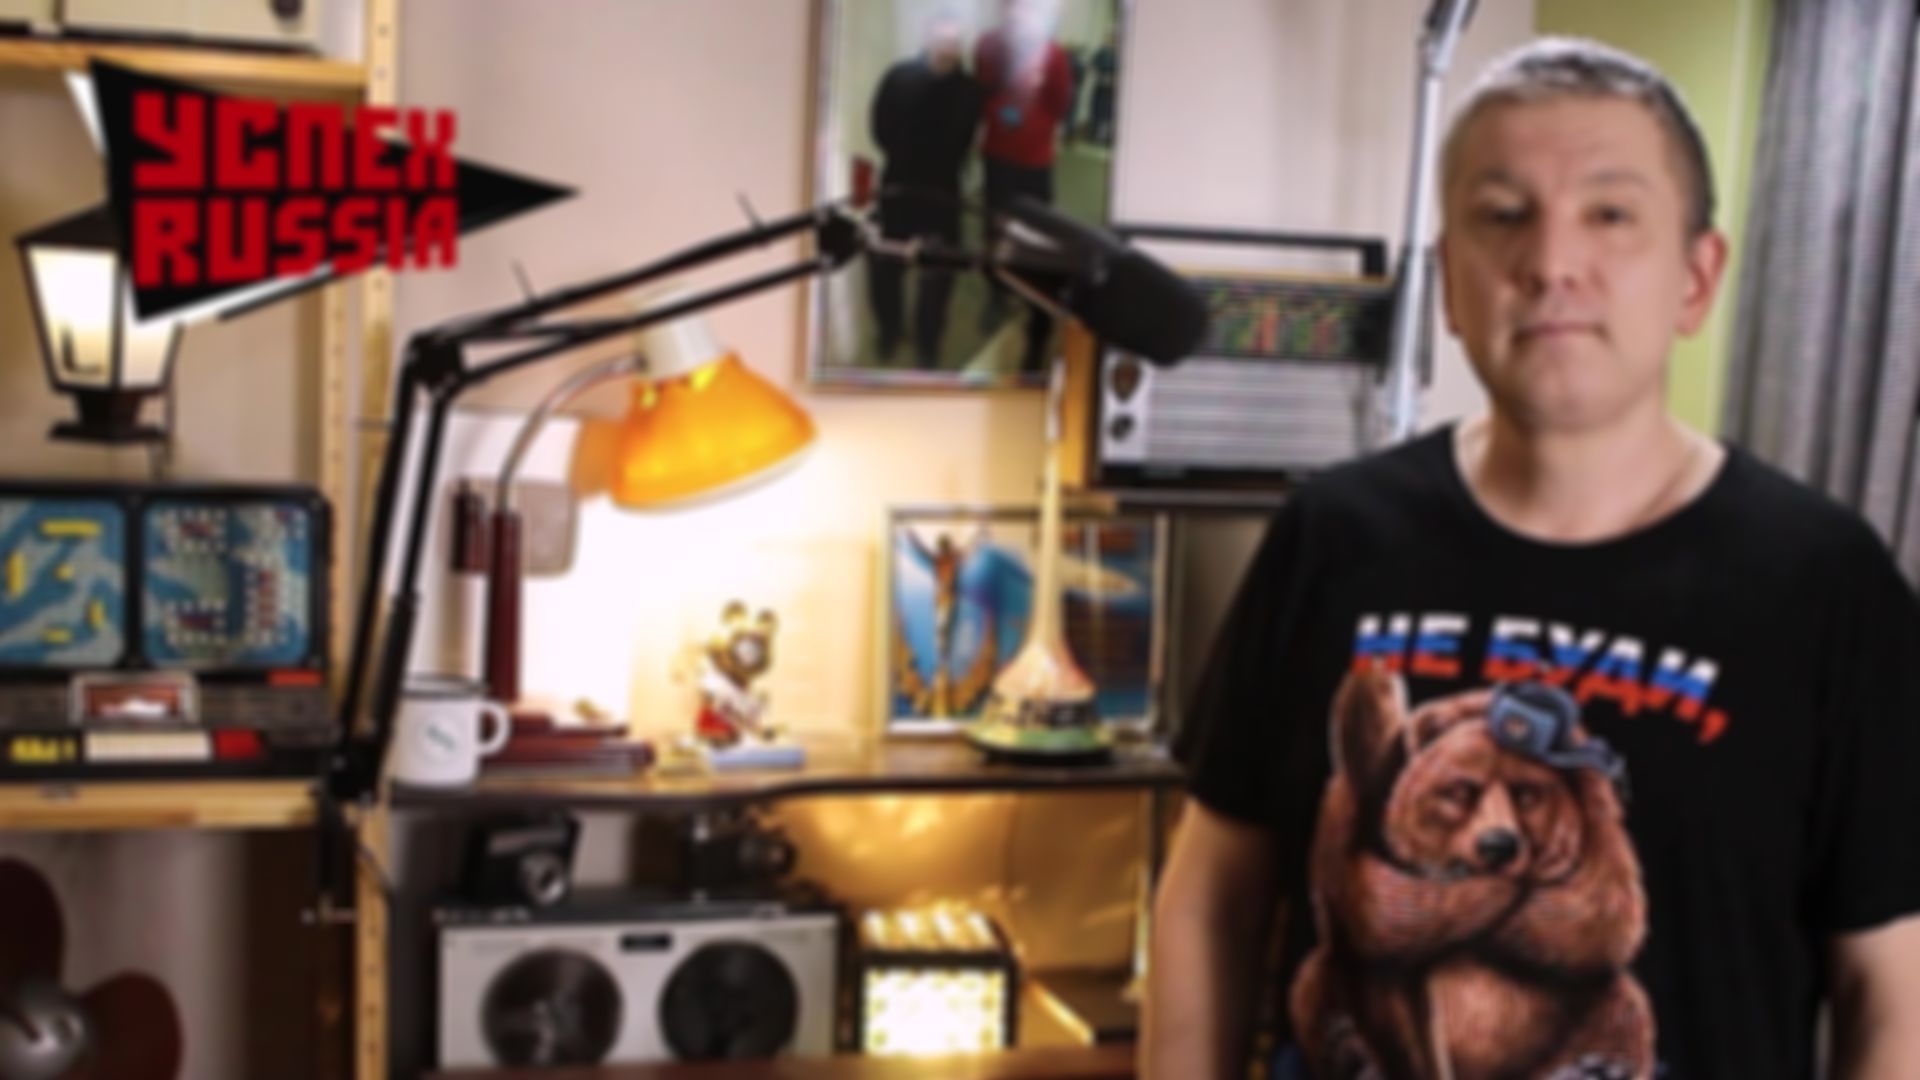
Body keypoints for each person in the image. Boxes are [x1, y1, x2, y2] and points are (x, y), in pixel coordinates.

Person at [1143, 37, 1920, 1080]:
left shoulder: (1826, 585)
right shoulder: (1332, 537)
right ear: (1448, 286)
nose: (1552, 262)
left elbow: (1893, 988)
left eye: (1610, 215)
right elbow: (1211, 897)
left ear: (1696, 278)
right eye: (1504, 214)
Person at [866, 11, 982, 368]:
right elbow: (879, 127)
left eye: (954, 41)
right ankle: (890, 330)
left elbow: (966, 139)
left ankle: (928, 341)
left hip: (943, 191)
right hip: (899, 187)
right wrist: (907, 155)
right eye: (941, 38)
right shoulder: (899, 77)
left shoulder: (969, 90)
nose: (947, 47)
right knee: (886, 266)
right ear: (927, 38)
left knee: (939, 273)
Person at [974, 0, 1074, 374]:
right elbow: (982, 90)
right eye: (1011, 7)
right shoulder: (988, 44)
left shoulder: (1053, 54)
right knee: (993, 227)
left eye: (1026, 7)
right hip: (997, 156)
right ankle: (996, 294)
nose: (1018, 13)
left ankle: (1035, 314)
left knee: (1036, 238)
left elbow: (1061, 105)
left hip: (1035, 162)